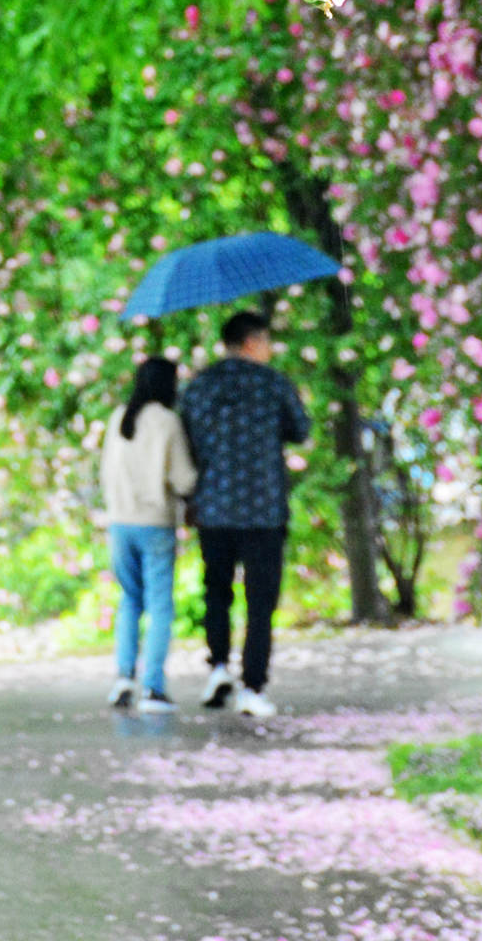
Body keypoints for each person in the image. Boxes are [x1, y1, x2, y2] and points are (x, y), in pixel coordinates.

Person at [178, 306, 310, 719]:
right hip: (262, 508)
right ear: (252, 342)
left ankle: (218, 667)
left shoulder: (199, 387)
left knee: (216, 591)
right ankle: (253, 686)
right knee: (260, 601)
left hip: (214, 506)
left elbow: (186, 438)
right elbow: (301, 430)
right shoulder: (273, 383)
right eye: (267, 342)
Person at [98, 352, 198, 713]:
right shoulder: (167, 422)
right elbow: (184, 479)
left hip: (120, 522)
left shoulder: (119, 417)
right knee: (159, 606)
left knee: (129, 600)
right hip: (155, 523)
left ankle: (123, 678)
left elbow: (105, 470)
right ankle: (153, 689)